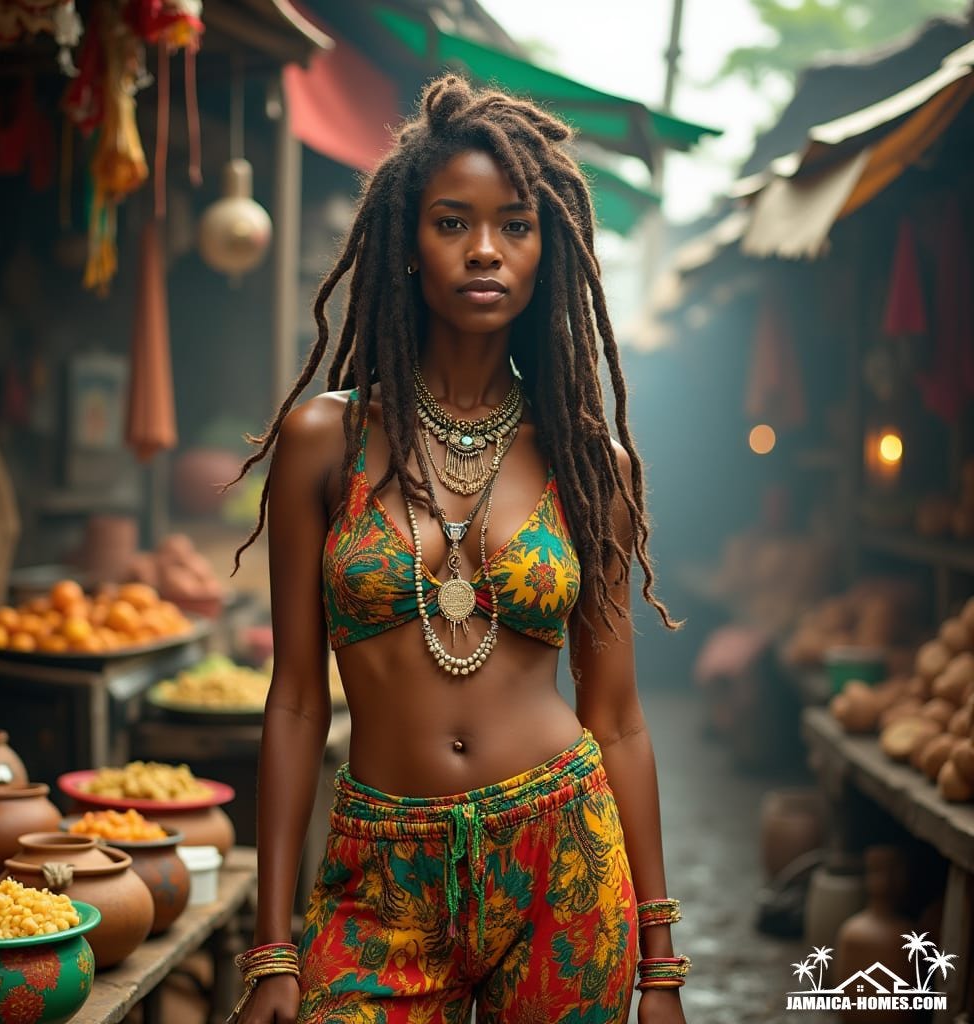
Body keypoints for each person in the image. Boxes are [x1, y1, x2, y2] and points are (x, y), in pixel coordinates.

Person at [227, 74, 689, 1024]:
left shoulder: (587, 460)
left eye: (515, 224)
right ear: (405, 244)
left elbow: (620, 717)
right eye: (451, 222)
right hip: (379, 870)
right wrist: (273, 947)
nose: (485, 249)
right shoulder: (326, 441)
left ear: (546, 250)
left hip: (563, 856)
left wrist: (660, 966)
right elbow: (298, 698)